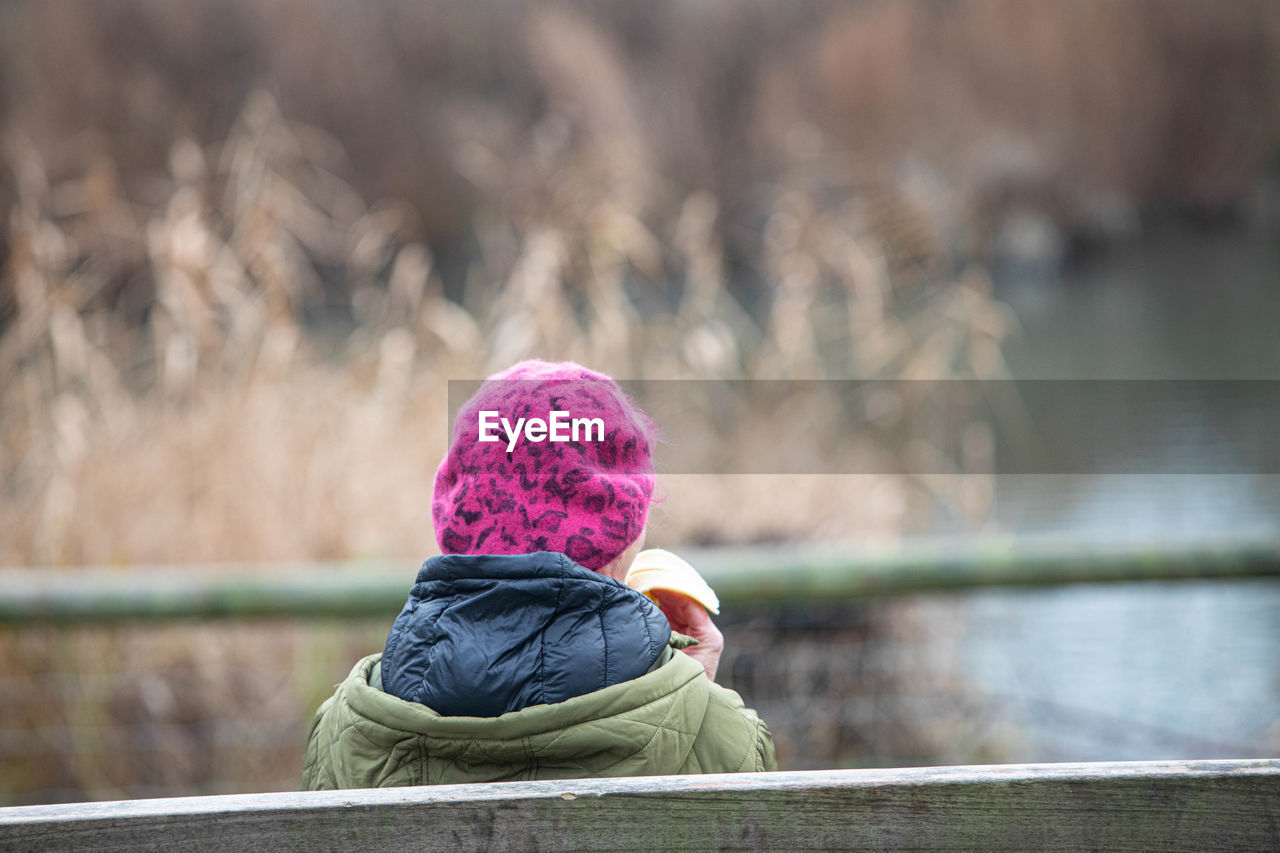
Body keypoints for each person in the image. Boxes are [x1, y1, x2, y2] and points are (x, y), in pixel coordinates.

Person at [303, 360, 775, 788]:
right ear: (626, 529)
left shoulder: (343, 736)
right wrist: (694, 703)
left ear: (455, 519)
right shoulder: (724, 738)